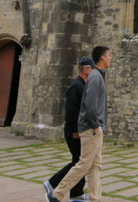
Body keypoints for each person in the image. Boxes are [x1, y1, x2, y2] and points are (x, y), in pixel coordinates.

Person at [47, 46, 111, 202]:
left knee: (95, 166)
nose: (110, 58)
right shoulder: (95, 76)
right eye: (109, 55)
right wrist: (96, 125)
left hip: (94, 128)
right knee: (83, 164)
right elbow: (90, 105)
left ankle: (95, 198)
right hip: (91, 129)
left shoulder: (97, 76)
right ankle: (56, 194)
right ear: (102, 58)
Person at [44, 56, 95, 201]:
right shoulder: (76, 87)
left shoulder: (82, 85)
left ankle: (76, 194)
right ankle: (52, 183)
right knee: (79, 162)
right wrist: (75, 131)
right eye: (91, 69)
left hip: (80, 131)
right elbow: (71, 112)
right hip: (74, 132)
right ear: (85, 69)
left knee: (79, 161)